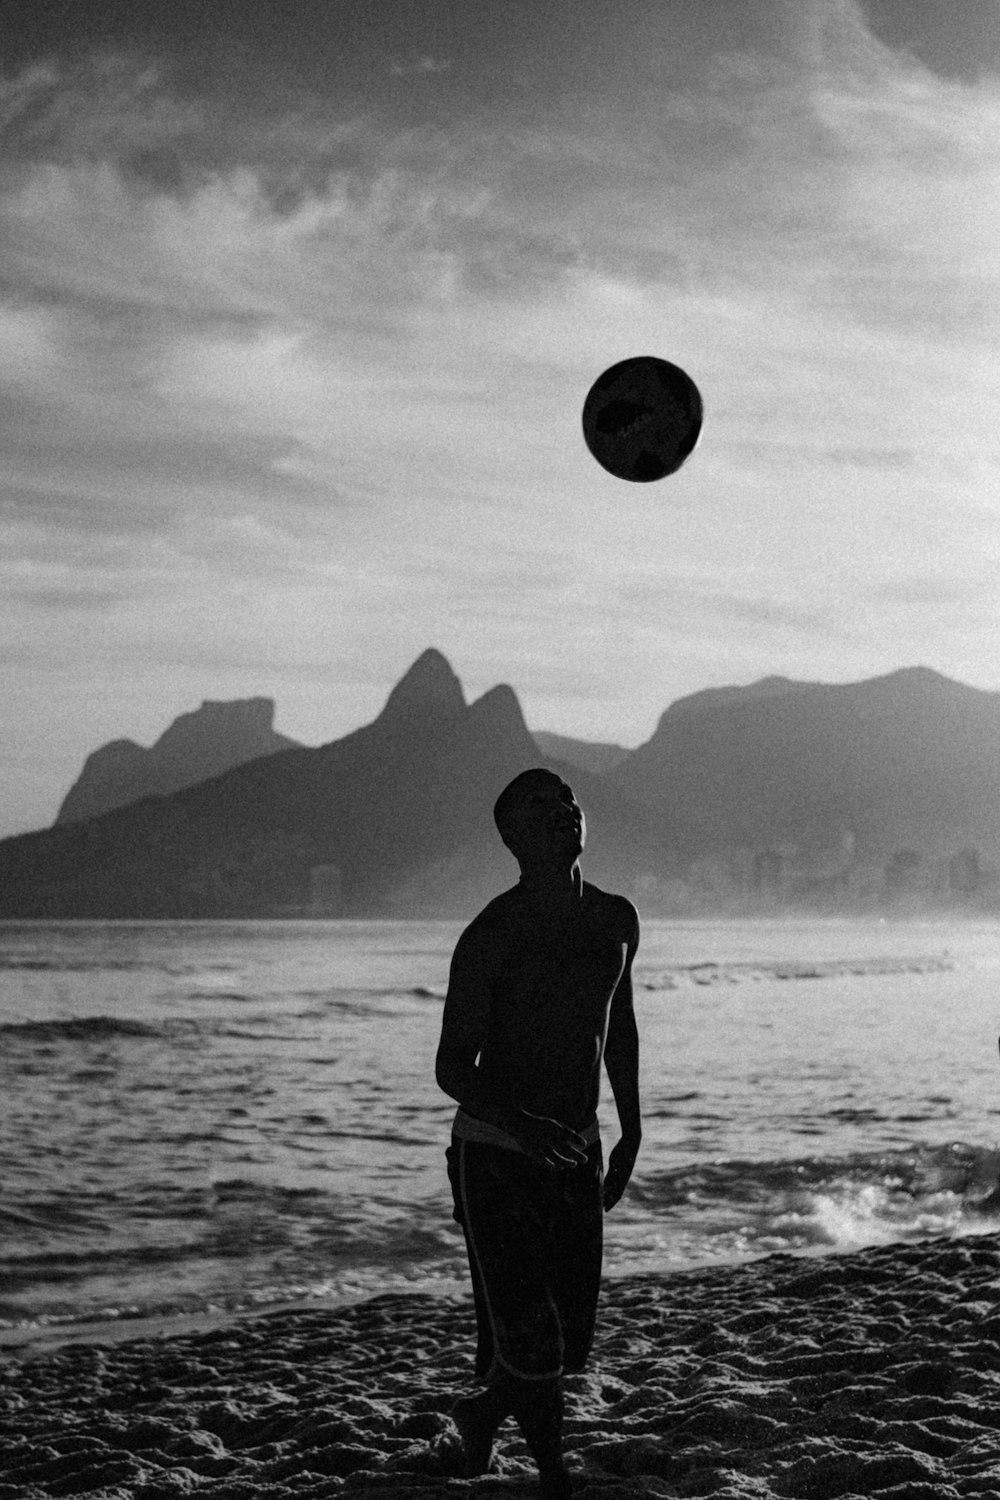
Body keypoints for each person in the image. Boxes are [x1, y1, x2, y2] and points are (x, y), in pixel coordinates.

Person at [435, 767, 641, 1498]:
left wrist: (631, 1129)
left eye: (569, 800)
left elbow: (616, 1027)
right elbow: (452, 1067)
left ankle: (481, 1413)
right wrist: (521, 1125)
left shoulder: (616, 918)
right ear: (512, 837)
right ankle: (554, 1474)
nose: (564, 811)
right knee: (529, 1329)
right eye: (541, 806)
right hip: (495, 1154)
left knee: (565, 1335)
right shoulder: (491, 936)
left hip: (578, 1150)